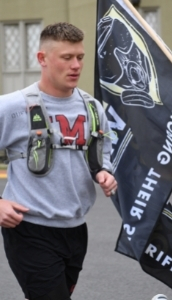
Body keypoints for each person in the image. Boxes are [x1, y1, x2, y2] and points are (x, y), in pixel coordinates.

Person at [0, 22, 117, 300]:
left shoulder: (93, 107)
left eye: (80, 57)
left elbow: (104, 154)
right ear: (42, 59)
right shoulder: (13, 106)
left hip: (76, 229)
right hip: (29, 230)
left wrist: (104, 172)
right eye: (66, 57)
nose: (76, 65)